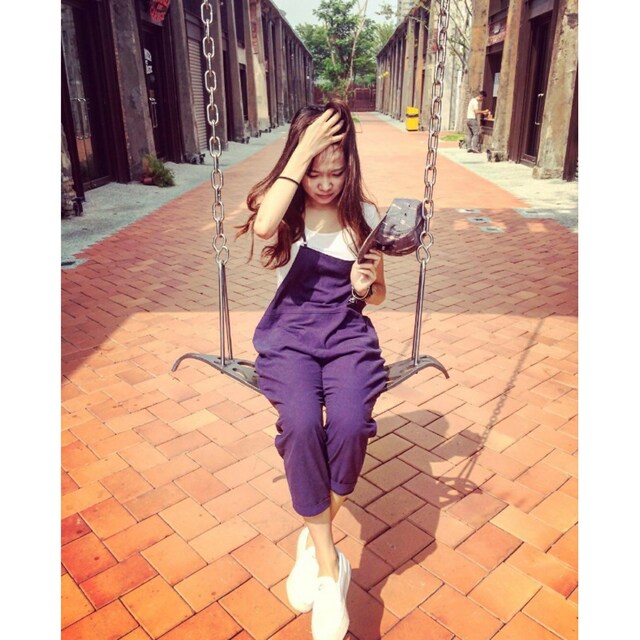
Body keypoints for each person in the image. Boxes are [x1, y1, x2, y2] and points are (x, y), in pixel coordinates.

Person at [237, 99, 387, 640]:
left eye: (336, 172)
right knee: (301, 425)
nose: (324, 184)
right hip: (289, 338)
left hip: (347, 334)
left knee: (350, 425)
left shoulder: (364, 216)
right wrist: (301, 154)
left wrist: (365, 287)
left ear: (350, 167)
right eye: (314, 171)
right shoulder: (284, 203)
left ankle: (313, 536)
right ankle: (330, 567)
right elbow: (262, 228)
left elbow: (380, 293)